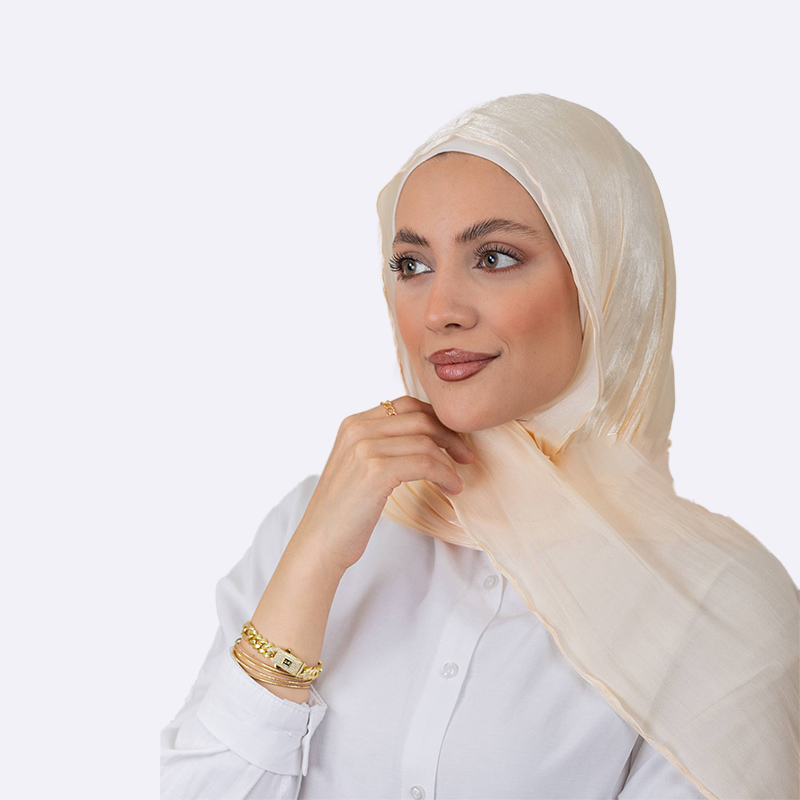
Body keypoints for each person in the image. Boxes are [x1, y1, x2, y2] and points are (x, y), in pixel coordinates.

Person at [160, 94, 799, 800]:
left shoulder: (715, 606)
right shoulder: (320, 519)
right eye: (411, 265)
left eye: (494, 257)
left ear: (605, 279)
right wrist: (313, 561)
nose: (439, 311)